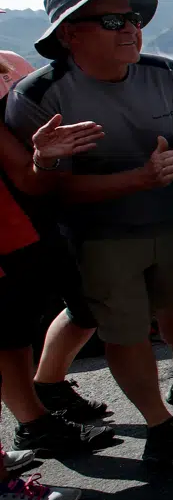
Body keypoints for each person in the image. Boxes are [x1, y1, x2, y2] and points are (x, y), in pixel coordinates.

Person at [6, 0, 173, 470]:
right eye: (111, 21)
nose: (131, 29)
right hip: (96, 239)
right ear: (70, 34)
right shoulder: (38, 95)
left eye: (132, 18)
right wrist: (139, 178)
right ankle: (160, 430)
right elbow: (45, 189)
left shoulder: (167, 74)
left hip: (165, 223)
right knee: (124, 331)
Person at [1, 83, 117, 479]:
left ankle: (42, 403)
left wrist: (43, 159)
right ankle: (34, 425)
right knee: (9, 331)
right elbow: (28, 176)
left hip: (28, 226)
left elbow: (29, 177)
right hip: (16, 229)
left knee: (25, 325)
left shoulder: (15, 75)